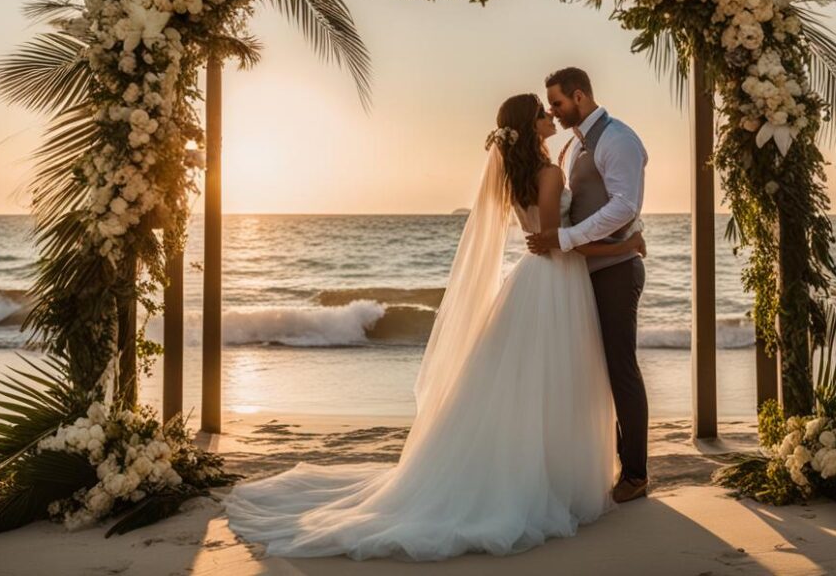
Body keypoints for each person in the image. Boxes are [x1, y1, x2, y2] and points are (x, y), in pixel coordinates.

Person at [221, 92, 646, 560]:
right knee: (550, 381)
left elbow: (546, 239)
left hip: (541, 282)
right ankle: (550, 478)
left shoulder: (518, 173)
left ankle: (549, 470)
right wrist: (624, 248)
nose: (551, 116)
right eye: (543, 112)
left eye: (553, 108)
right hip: (552, 282)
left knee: (534, 383)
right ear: (530, 126)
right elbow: (552, 243)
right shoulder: (549, 173)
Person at [526, 66, 651, 504]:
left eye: (557, 103)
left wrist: (565, 239)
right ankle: (605, 459)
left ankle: (636, 472)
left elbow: (624, 206)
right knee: (596, 371)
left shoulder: (617, 139)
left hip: (615, 270)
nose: (553, 112)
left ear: (579, 97)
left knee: (622, 369)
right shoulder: (573, 148)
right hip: (586, 273)